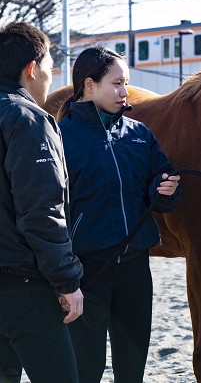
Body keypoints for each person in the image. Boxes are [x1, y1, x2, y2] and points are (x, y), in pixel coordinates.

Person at [56, 46, 181, 383]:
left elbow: (164, 187)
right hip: (86, 273)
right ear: (89, 85)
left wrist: (164, 188)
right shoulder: (61, 138)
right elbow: (47, 209)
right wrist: (62, 277)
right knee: (86, 369)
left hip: (136, 270)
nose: (125, 92)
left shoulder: (139, 134)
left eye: (126, 83)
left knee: (132, 368)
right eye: (117, 83)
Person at [0, 22, 84, 383]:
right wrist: (67, 281)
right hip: (21, 283)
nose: (52, 75)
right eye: (50, 65)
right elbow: (42, 212)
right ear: (32, 69)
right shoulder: (29, 119)